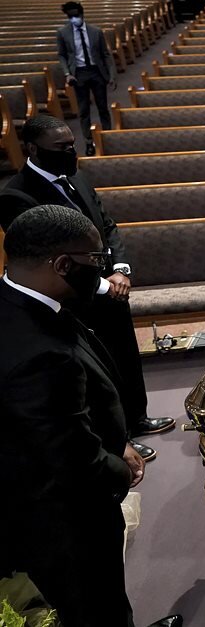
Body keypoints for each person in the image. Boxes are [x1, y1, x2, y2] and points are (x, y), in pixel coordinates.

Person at [0, 205, 182, 627]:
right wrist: (119, 468)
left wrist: (118, 438)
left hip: (53, 489)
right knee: (94, 603)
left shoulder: (24, 301)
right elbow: (70, 456)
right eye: (96, 259)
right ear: (63, 265)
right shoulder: (38, 353)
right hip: (63, 513)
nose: (101, 268)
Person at [0, 116, 175, 462]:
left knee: (123, 356)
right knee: (95, 373)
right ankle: (117, 437)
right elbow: (45, 257)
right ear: (33, 149)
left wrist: (120, 270)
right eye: (61, 147)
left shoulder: (77, 177)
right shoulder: (16, 195)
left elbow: (106, 226)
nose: (71, 152)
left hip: (111, 286)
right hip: (72, 296)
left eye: (71, 145)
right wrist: (102, 284)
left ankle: (136, 417)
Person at [56, 1, 116, 156]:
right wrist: (67, 73)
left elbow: (105, 54)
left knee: (103, 107)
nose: (74, 19)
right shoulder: (63, 33)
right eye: (70, 16)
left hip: (96, 72)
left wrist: (111, 75)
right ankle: (89, 142)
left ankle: (108, 138)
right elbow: (62, 55)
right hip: (79, 74)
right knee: (84, 111)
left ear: (82, 15)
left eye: (76, 15)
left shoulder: (95, 31)